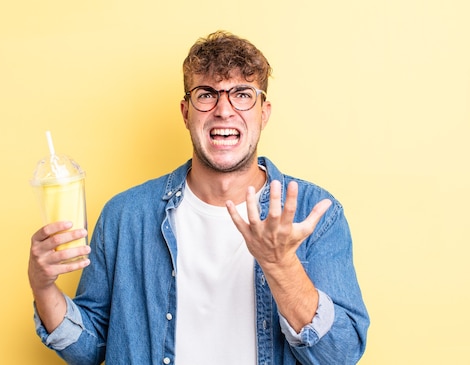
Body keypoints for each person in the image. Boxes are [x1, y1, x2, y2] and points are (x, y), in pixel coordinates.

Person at [29, 30, 369, 365]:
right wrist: (43, 287)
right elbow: (89, 349)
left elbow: (339, 356)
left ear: (263, 112)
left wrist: (282, 266)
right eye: (207, 94)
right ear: (185, 111)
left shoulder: (314, 215)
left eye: (242, 94)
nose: (224, 109)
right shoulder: (125, 216)